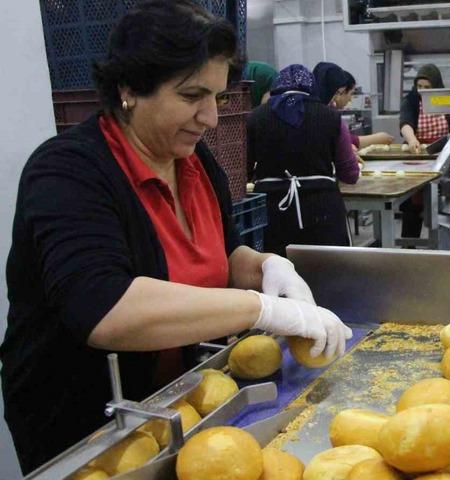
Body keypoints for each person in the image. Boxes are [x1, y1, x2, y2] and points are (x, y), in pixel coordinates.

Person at [0, 1, 351, 473]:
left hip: (174, 403)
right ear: (129, 89)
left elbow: (223, 253)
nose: (210, 117)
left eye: (218, 98)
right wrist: (261, 309)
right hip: (88, 423)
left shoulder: (194, 161)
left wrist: (268, 267)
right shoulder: (67, 172)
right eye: (191, 96)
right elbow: (105, 309)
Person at [247, 64, 361, 251]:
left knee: (278, 266)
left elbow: (243, 171)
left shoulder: (255, 118)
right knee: (326, 267)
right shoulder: (331, 117)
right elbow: (350, 174)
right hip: (323, 213)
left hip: (272, 212)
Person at [399, 64, 450, 238]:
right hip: (417, 155)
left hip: (444, 156)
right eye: (419, 86)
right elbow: (405, 123)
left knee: (442, 203)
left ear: (436, 86)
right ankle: (409, 245)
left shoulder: (444, 99)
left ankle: (443, 244)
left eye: (427, 87)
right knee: (413, 204)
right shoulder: (411, 100)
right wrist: (412, 139)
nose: (422, 91)